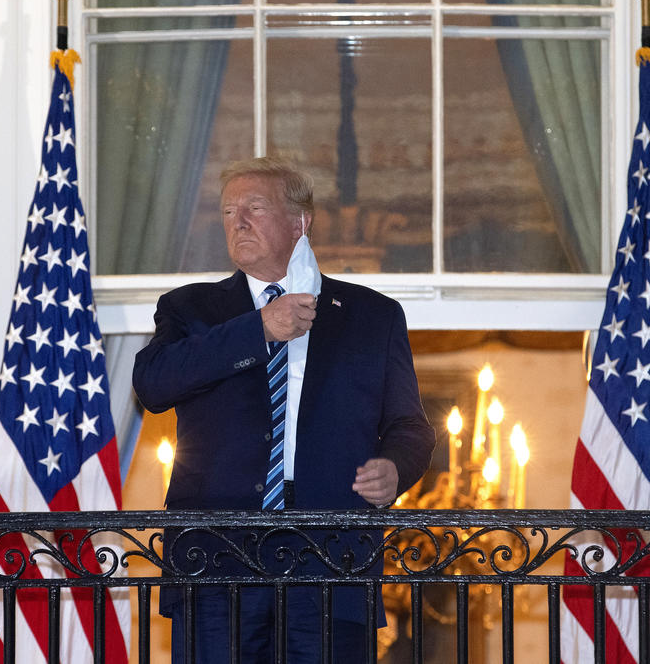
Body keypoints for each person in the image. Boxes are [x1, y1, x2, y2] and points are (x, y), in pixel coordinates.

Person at [133, 157, 435, 663]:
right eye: (229, 212)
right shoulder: (191, 308)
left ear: (300, 222)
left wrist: (396, 466)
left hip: (332, 551)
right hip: (216, 554)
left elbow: (409, 426)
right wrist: (258, 328)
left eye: (254, 207)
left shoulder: (371, 316)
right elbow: (153, 384)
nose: (239, 222)